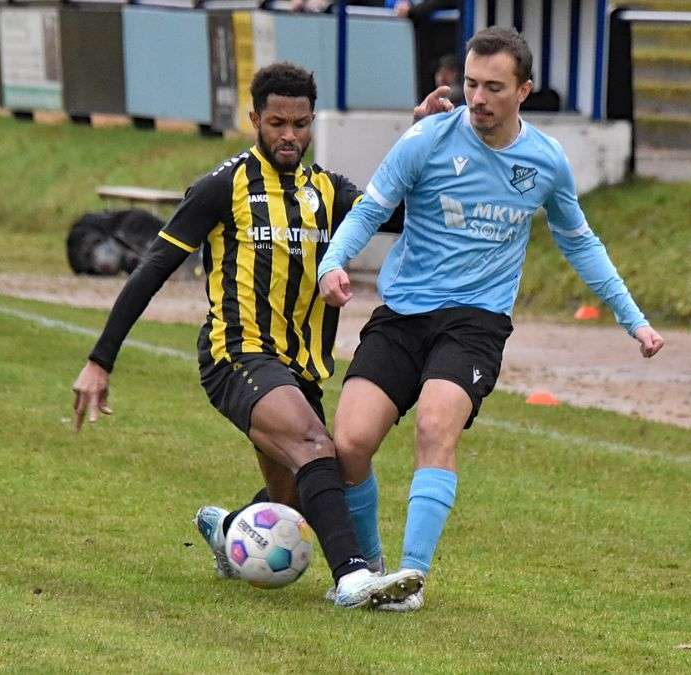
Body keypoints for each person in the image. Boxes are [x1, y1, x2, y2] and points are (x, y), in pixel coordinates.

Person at [71, 63, 451, 609]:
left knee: (296, 494)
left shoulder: (329, 192)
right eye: (277, 123)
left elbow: (397, 214)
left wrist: (421, 136)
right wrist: (100, 359)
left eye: (300, 123)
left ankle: (229, 529)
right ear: (254, 119)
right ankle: (353, 578)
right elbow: (152, 268)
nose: (289, 135)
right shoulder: (222, 187)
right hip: (237, 354)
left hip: (302, 368)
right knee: (316, 447)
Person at [316, 27, 664, 612]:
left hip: (475, 321)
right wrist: (333, 263)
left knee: (435, 427)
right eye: (470, 84)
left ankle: (412, 576)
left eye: (493, 88)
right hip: (402, 314)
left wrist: (634, 319)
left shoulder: (545, 162)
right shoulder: (426, 139)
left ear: (523, 90)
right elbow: (371, 208)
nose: (477, 98)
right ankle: (370, 572)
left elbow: (580, 242)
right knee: (349, 444)